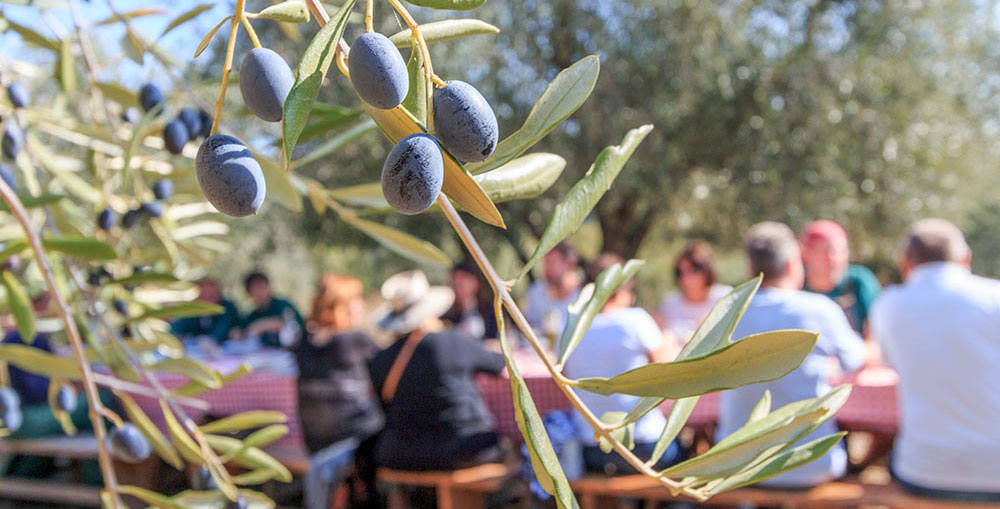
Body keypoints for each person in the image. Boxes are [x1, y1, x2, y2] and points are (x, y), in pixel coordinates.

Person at [717, 222, 865, 488]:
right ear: (791, 265)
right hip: (809, 463)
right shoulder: (820, 309)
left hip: (735, 465)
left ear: (750, 269)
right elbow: (858, 360)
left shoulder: (725, 313)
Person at [871, 219, 1000, 502]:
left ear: (906, 263)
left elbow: (887, 366)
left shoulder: (889, 305)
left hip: (925, 473)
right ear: (966, 258)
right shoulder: (995, 297)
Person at [368, 270, 505, 472]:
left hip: (402, 454)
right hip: (464, 448)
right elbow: (498, 364)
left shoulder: (382, 358)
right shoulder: (451, 341)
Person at [563, 253, 683, 474]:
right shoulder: (635, 320)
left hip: (591, 448)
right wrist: (667, 337)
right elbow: (671, 377)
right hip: (642, 445)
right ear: (621, 290)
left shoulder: (571, 326)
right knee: (684, 453)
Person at [294, 274, 383, 509]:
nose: (362, 305)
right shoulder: (355, 340)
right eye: (357, 300)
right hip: (353, 438)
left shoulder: (304, 339)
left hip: (313, 441)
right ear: (343, 305)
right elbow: (388, 369)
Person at [800, 220, 881, 335]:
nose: (833, 258)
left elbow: (876, 339)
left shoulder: (859, 282)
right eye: (824, 251)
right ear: (805, 253)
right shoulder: (796, 288)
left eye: (840, 251)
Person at [655, 240, 732, 344]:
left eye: (693, 270)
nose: (686, 278)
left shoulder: (726, 298)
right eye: (681, 272)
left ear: (707, 270)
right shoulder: (669, 303)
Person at [523, 242, 583, 341]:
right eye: (545, 263)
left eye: (552, 263)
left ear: (570, 265)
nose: (547, 268)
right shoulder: (536, 291)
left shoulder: (583, 296)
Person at [238, 271, 304, 348]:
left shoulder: (283, 305)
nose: (260, 292)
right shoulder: (253, 315)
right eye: (255, 289)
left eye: (262, 287)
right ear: (249, 293)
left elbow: (295, 326)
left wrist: (264, 325)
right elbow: (243, 331)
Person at [170, 278, 240, 344]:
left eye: (211, 296)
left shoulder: (226, 308)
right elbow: (177, 328)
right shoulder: (192, 308)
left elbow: (221, 331)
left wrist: (209, 340)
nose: (208, 301)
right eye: (204, 296)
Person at [440, 259, 498, 340]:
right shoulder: (446, 308)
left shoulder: (489, 309)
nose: (458, 288)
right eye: (455, 283)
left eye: (462, 284)